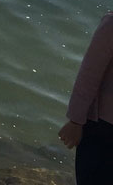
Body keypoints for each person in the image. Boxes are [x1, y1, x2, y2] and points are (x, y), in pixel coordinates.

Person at [58, 11, 113, 184]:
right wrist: (76, 121)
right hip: (102, 128)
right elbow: (89, 75)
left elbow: (88, 75)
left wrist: (75, 121)